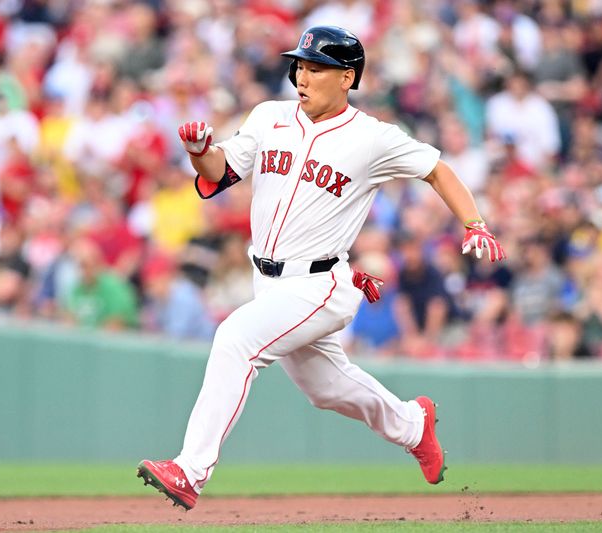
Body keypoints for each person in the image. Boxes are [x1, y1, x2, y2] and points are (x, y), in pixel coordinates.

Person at [137, 26, 506, 510]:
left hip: (320, 282)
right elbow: (220, 173)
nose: (302, 76)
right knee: (326, 388)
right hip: (266, 280)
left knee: (235, 339)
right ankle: (413, 425)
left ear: (347, 77)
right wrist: (200, 152)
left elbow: (437, 168)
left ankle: (190, 470)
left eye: (316, 68)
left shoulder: (372, 138)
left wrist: (474, 222)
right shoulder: (270, 117)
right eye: (300, 66)